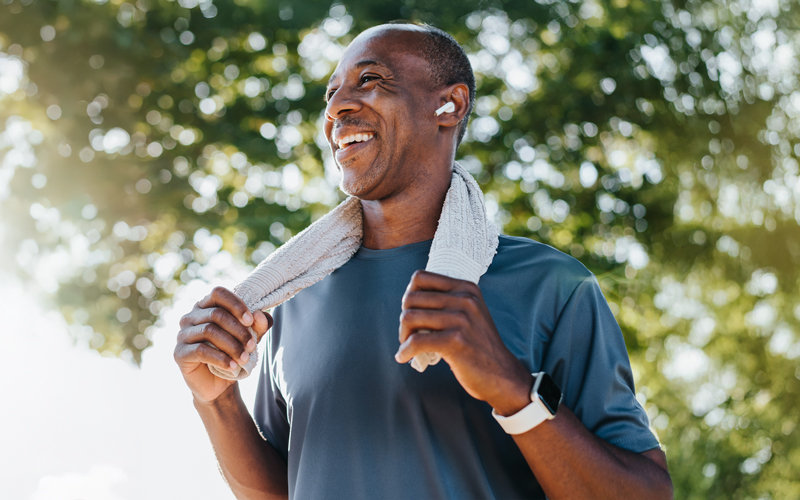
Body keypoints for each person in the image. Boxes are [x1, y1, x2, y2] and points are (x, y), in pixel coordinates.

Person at [174, 23, 673, 499]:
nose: (338, 108)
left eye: (370, 80)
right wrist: (216, 401)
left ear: (449, 105)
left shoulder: (551, 286)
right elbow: (287, 492)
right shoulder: (290, 297)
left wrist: (512, 389)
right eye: (331, 95)